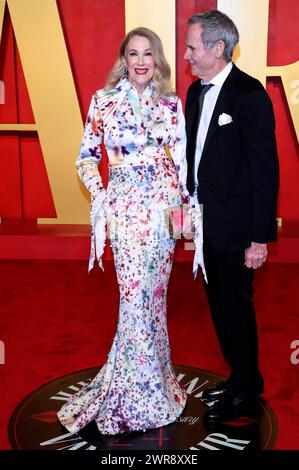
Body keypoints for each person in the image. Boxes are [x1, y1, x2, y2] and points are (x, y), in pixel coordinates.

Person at [57, 27, 188, 435]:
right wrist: (101, 197)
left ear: (158, 58)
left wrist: (183, 224)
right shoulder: (104, 102)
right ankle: (132, 398)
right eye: (134, 54)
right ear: (124, 59)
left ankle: (157, 385)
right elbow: (85, 159)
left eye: (148, 53)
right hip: (126, 213)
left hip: (164, 212)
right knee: (132, 300)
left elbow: (182, 169)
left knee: (154, 298)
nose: (142, 61)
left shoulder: (170, 104)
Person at [184, 10, 279, 423]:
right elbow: (194, 158)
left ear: (218, 48)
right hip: (204, 223)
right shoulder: (194, 92)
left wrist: (259, 239)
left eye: (192, 46)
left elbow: (266, 172)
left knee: (236, 309)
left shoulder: (250, 95)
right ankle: (238, 378)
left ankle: (247, 389)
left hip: (238, 230)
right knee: (219, 308)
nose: (186, 54)